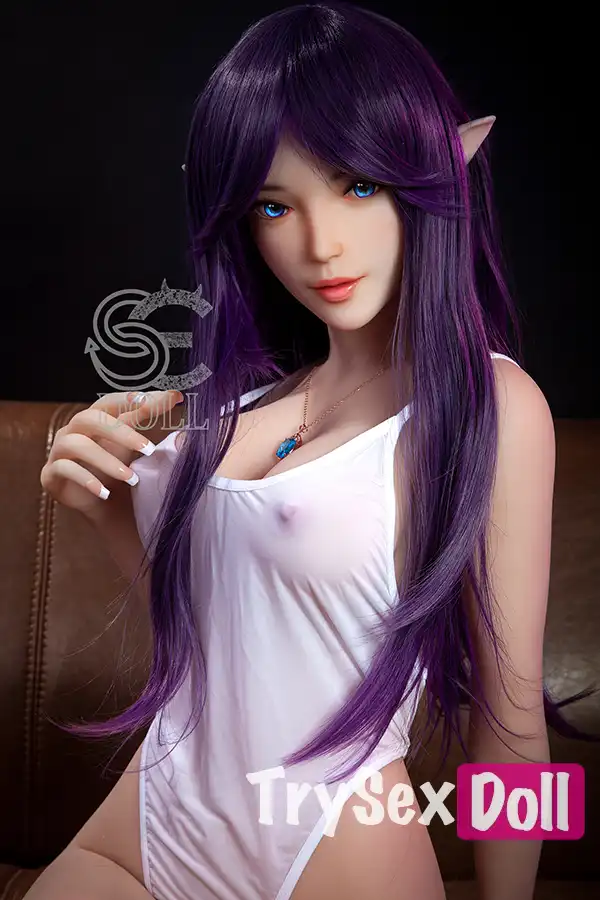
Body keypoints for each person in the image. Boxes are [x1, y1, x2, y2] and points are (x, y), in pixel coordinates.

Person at [33, 3, 579, 898]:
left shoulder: (492, 404)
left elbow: (512, 713)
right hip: (147, 825)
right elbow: (216, 640)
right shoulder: (242, 406)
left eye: (357, 186)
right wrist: (104, 509)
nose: (322, 246)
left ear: (428, 176)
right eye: (275, 205)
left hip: (333, 851)